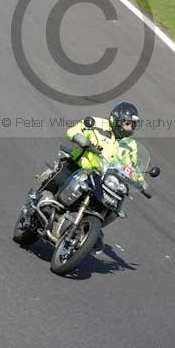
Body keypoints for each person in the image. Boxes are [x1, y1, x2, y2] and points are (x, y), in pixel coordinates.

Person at [34, 101, 141, 253]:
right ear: (116, 119)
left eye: (133, 124)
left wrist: (139, 180)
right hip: (78, 166)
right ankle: (38, 199)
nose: (130, 128)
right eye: (128, 123)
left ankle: (89, 230)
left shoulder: (131, 146)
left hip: (103, 180)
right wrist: (80, 138)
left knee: (115, 204)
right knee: (58, 178)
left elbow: (132, 167)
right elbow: (73, 131)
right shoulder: (96, 123)